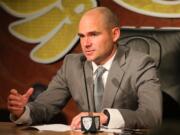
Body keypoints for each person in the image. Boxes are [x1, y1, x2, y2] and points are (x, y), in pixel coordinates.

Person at [7, 6, 162, 129]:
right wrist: (23, 111)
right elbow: (46, 106)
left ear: (114, 35)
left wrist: (105, 117)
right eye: (82, 36)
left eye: (93, 35)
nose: (86, 44)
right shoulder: (72, 64)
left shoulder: (140, 64)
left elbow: (152, 116)